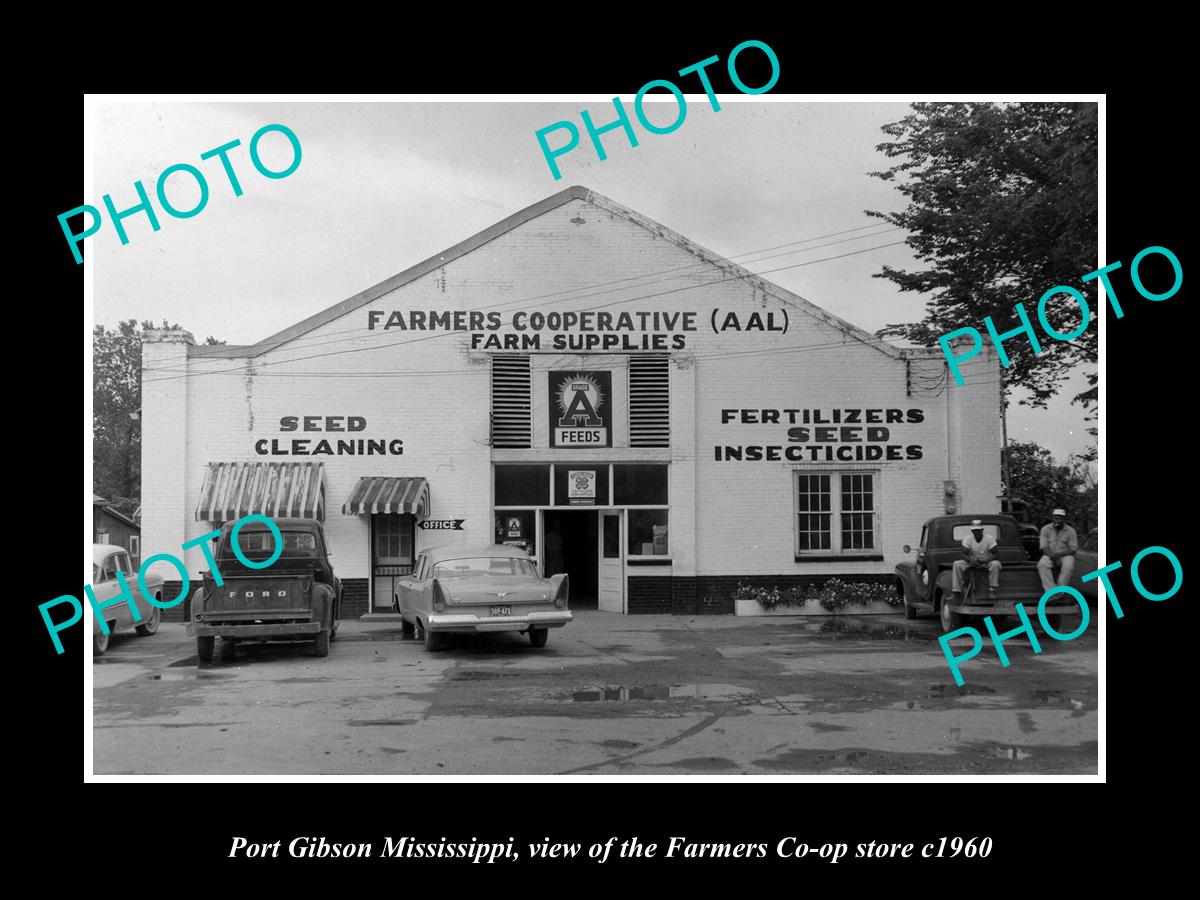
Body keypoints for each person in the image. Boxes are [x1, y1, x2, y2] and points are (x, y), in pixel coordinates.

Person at [952, 519, 1001, 600]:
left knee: (995, 564)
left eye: (978, 530)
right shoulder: (968, 538)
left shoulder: (989, 538)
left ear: (982, 530)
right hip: (973, 561)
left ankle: (992, 590)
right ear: (972, 531)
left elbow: (996, 554)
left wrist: (986, 561)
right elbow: (963, 554)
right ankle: (957, 591)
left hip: (987, 561)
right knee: (957, 564)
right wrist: (971, 561)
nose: (976, 532)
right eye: (974, 531)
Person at [1038, 508, 1078, 592]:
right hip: (1050, 554)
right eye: (1056, 518)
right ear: (1053, 518)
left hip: (1065, 555)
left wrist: (1059, 555)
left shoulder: (1071, 531)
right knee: (1042, 565)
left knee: (1068, 566)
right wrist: (1052, 556)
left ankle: (1060, 590)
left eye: (1060, 518)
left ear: (1064, 519)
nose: (1057, 520)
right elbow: (1043, 547)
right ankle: (1051, 591)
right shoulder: (1045, 529)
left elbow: (1073, 549)